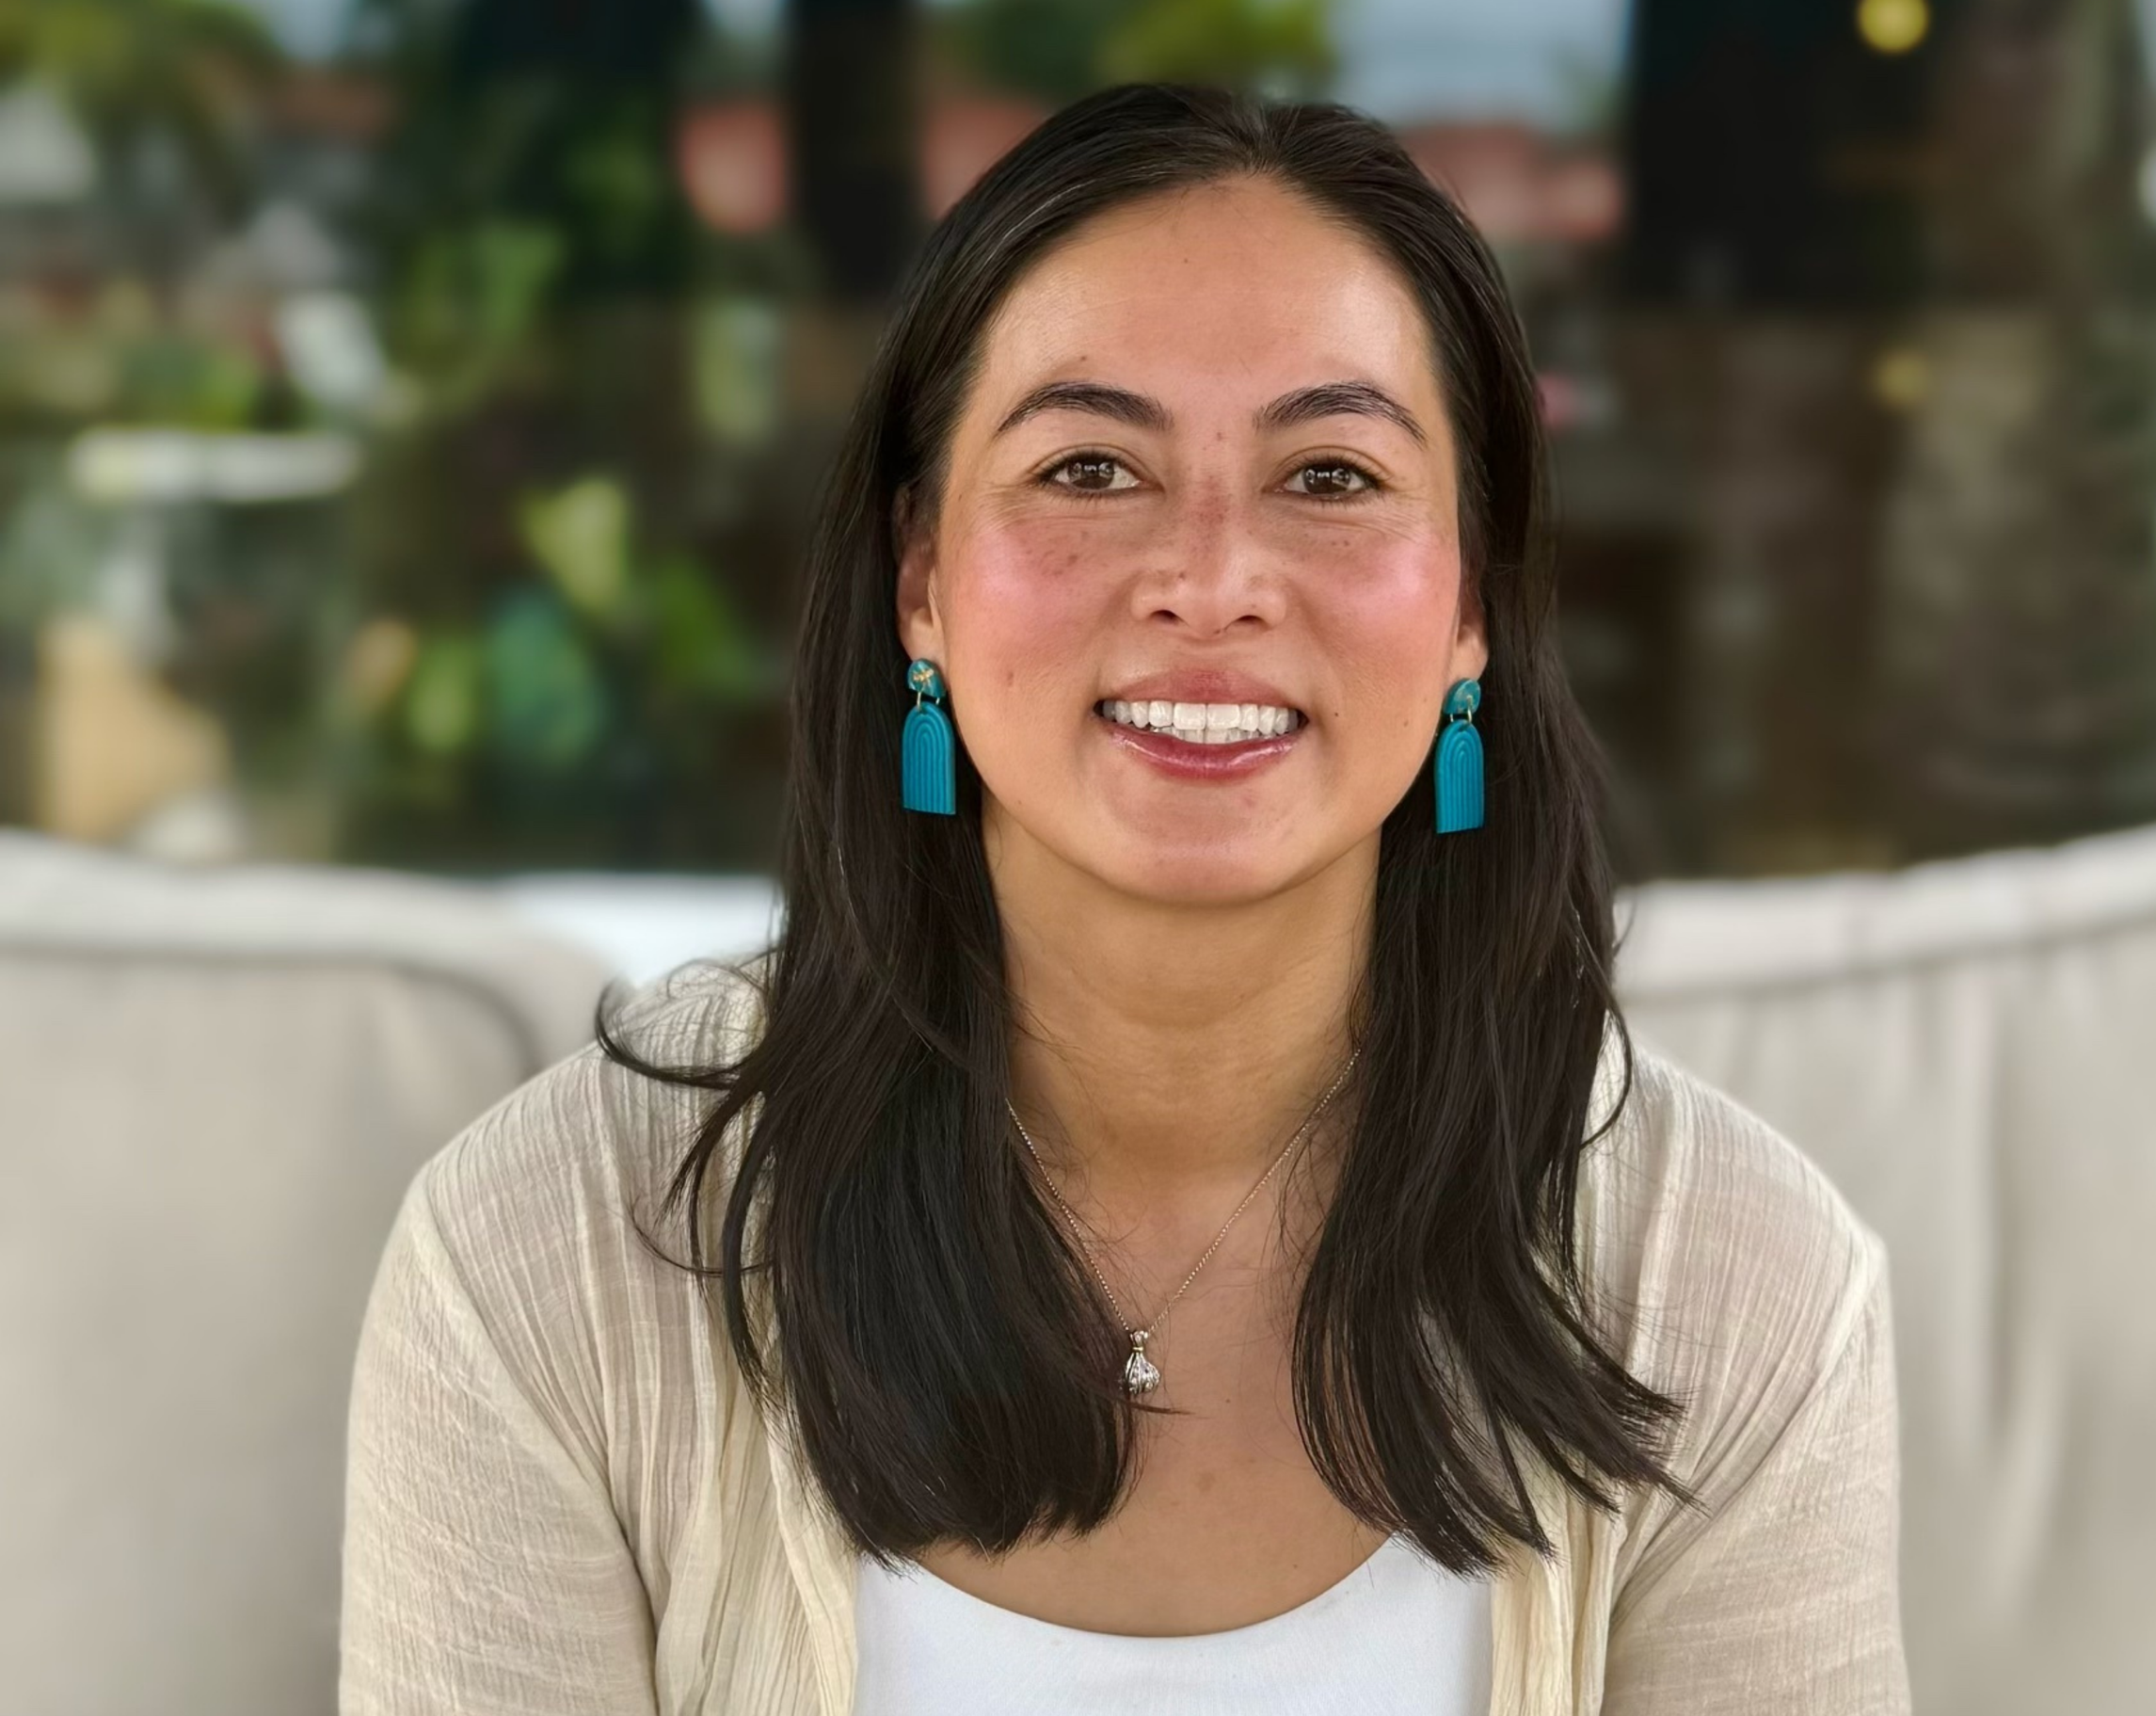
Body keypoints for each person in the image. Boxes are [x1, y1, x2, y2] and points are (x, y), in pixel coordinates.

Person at [340, 83, 1908, 1714]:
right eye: (1089, 467)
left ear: (1474, 608)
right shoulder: (552, 1254)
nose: (1212, 578)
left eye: (1331, 476)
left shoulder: (1731, 1284)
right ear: (922, 582)